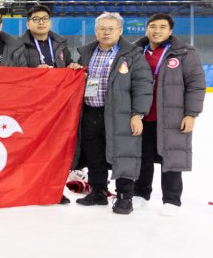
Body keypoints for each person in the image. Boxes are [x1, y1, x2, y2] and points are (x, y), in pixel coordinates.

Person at [68, 12, 152, 215]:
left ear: (120, 31)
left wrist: (137, 114)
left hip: (119, 114)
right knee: (95, 155)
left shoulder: (131, 55)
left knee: (123, 154)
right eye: (102, 29)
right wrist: (74, 70)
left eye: (111, 29)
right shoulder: (87, 52)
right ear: (96, 31)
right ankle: (98, 192)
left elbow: (143, 85)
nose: (106, 32)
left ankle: (124, 197)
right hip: (90, 112)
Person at [132, 13, 205, 216]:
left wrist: (191, 113)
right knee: (142, 156)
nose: (157, 31)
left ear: (170, 31)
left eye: (162, 27)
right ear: (146, 29)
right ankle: (140, 193)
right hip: (141, 115)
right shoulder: (136, 51)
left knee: (171, 156)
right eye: (153, 26)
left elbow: (196, 85)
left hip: (172, 115)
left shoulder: (184, 53)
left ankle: (171, 199)